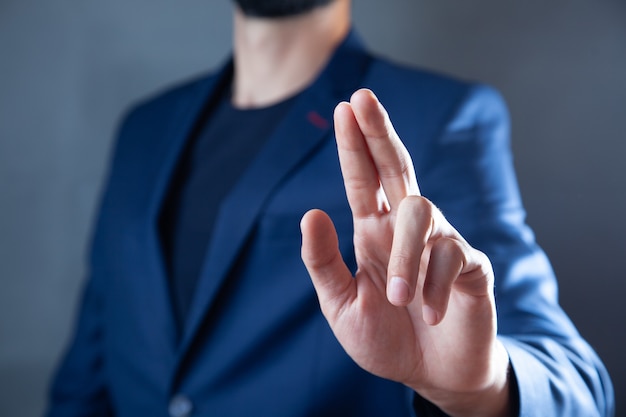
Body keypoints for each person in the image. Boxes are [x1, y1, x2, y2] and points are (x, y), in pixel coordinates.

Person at [46, 0, 614, 416]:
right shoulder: (142, 131)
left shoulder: (442, 118)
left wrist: (481, 385)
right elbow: (86, 381)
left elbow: (580, 386)